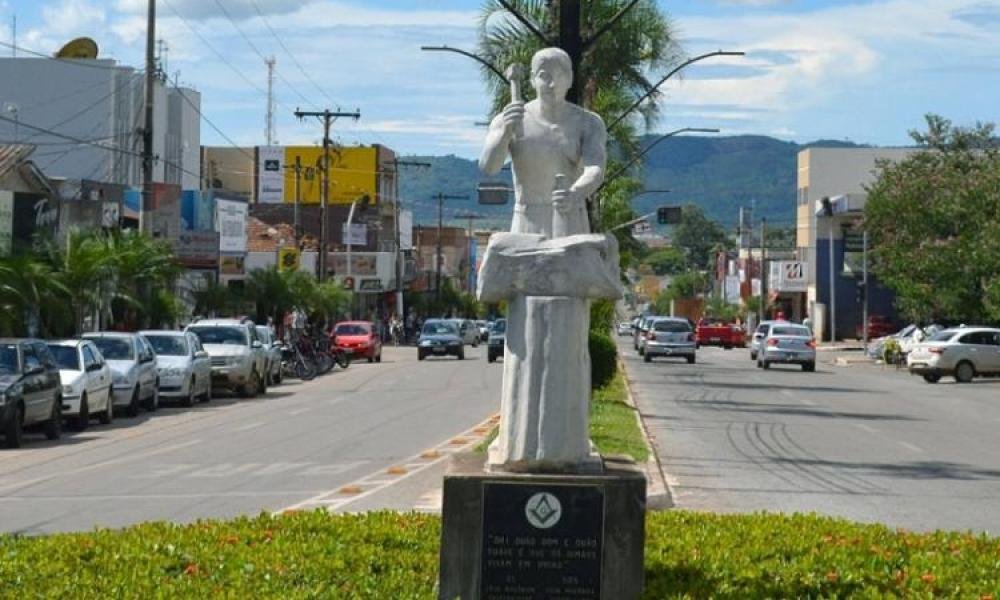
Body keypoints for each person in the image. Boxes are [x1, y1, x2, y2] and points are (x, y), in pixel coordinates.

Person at [479, 47, 608, 469]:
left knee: (569, 326)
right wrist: (503, 132)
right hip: (526, 224)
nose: (548, 81)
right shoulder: (513, 115)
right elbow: (488, 165)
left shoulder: (587, 122)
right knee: (525, 325)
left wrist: (576, 191)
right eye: (541, 73)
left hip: (568, 219)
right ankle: (519, 437)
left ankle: (567, 439)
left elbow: (596, 167)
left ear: (570, 78)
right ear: (531, 78)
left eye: (557, 73)